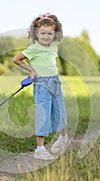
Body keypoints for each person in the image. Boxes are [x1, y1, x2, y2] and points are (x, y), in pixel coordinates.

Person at [13, 13, 68, 160]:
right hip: (42, 85)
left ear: (55, 34)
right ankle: (40, 149)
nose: (46, 36)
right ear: (36, 33)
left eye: (50, 33)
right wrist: (31, 70)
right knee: (43, 115)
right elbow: (16, 59)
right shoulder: (33, 48)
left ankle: (63, 139)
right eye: (42, 33)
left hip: (55, 82)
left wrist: (50, 18)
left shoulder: (53, 47)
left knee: (60, 110)